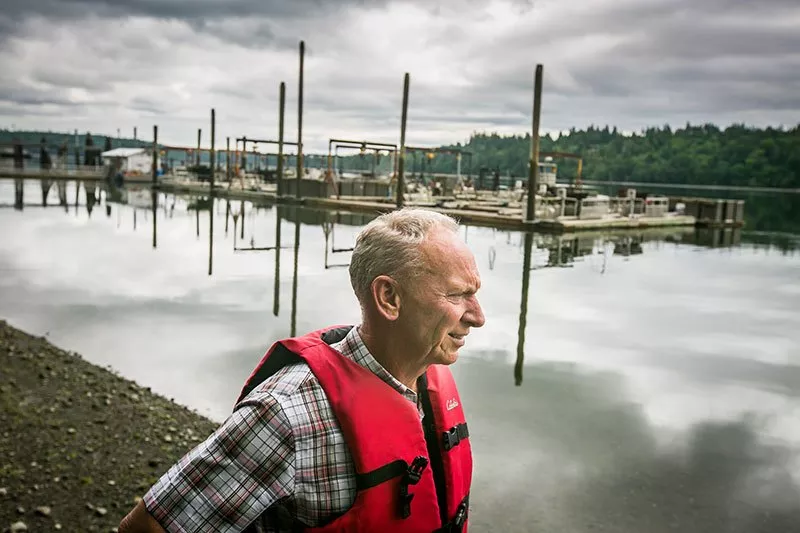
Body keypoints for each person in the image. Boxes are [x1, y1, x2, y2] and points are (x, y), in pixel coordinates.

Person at [119, 208, 486, 532]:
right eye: (457, 295)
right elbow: (148, 528)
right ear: (389, 298)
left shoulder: (427, 378)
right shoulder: (286, 415)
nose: (478, 316)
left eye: (474, 293)